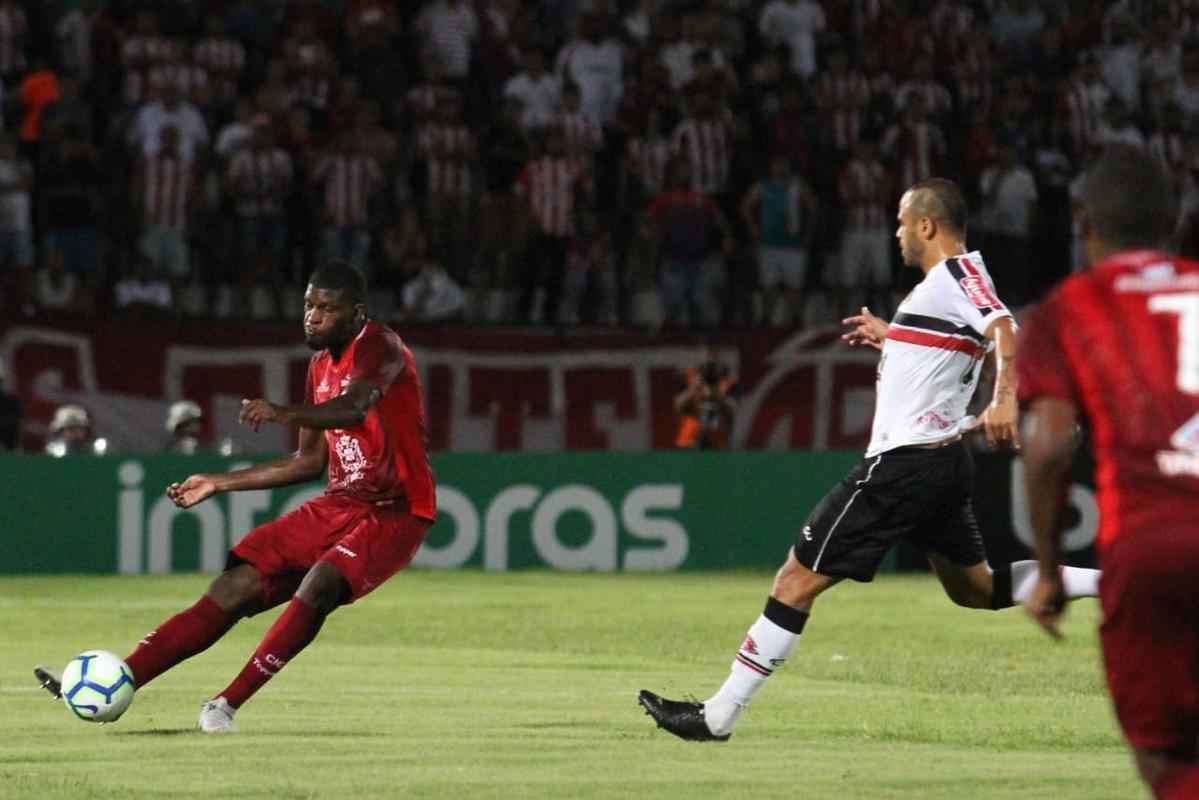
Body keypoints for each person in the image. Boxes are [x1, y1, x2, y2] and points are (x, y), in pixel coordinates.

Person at [638, 178, 1101, 742]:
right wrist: (897, 337)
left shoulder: (958, 275)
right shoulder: (940, 289)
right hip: (941, 463)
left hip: (903, 466)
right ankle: (1114, 581)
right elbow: (957, 342)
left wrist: (1004, 398)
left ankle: (717, 717)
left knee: (793, 580)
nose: (897, 231)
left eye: (903, 220)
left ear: (927, 225)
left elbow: (1002, 326)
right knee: (975, 589)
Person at [34, 263, 437, 733]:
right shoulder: (319, 364)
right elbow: (307, 463)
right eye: (309, 305)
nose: (313, 317)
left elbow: (354, 407)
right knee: (233, 588)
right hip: (340, 502)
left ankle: (224, 705)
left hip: (396, 510)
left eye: (328, 309)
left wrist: (281, 411)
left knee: (322, 583)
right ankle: (121, 679)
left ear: (357, 314)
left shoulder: (380, 347)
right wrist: (219, 482)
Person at [1018, 146, 1199, 799]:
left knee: (1166, 758)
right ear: (1174, 222)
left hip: (1147, 551)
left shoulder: (1068, 308)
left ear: (1080, 221)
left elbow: (1045, 448)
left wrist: (1045, 572)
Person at [674, 341, 737, 449]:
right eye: (706, 363)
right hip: (691, 443)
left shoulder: (726, 383)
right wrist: (695, 390)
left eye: (713, 360)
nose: (709, 364)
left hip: (717, 443)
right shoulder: (691, 381)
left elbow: (732, 409)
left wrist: (718, 396)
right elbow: (678, 405)